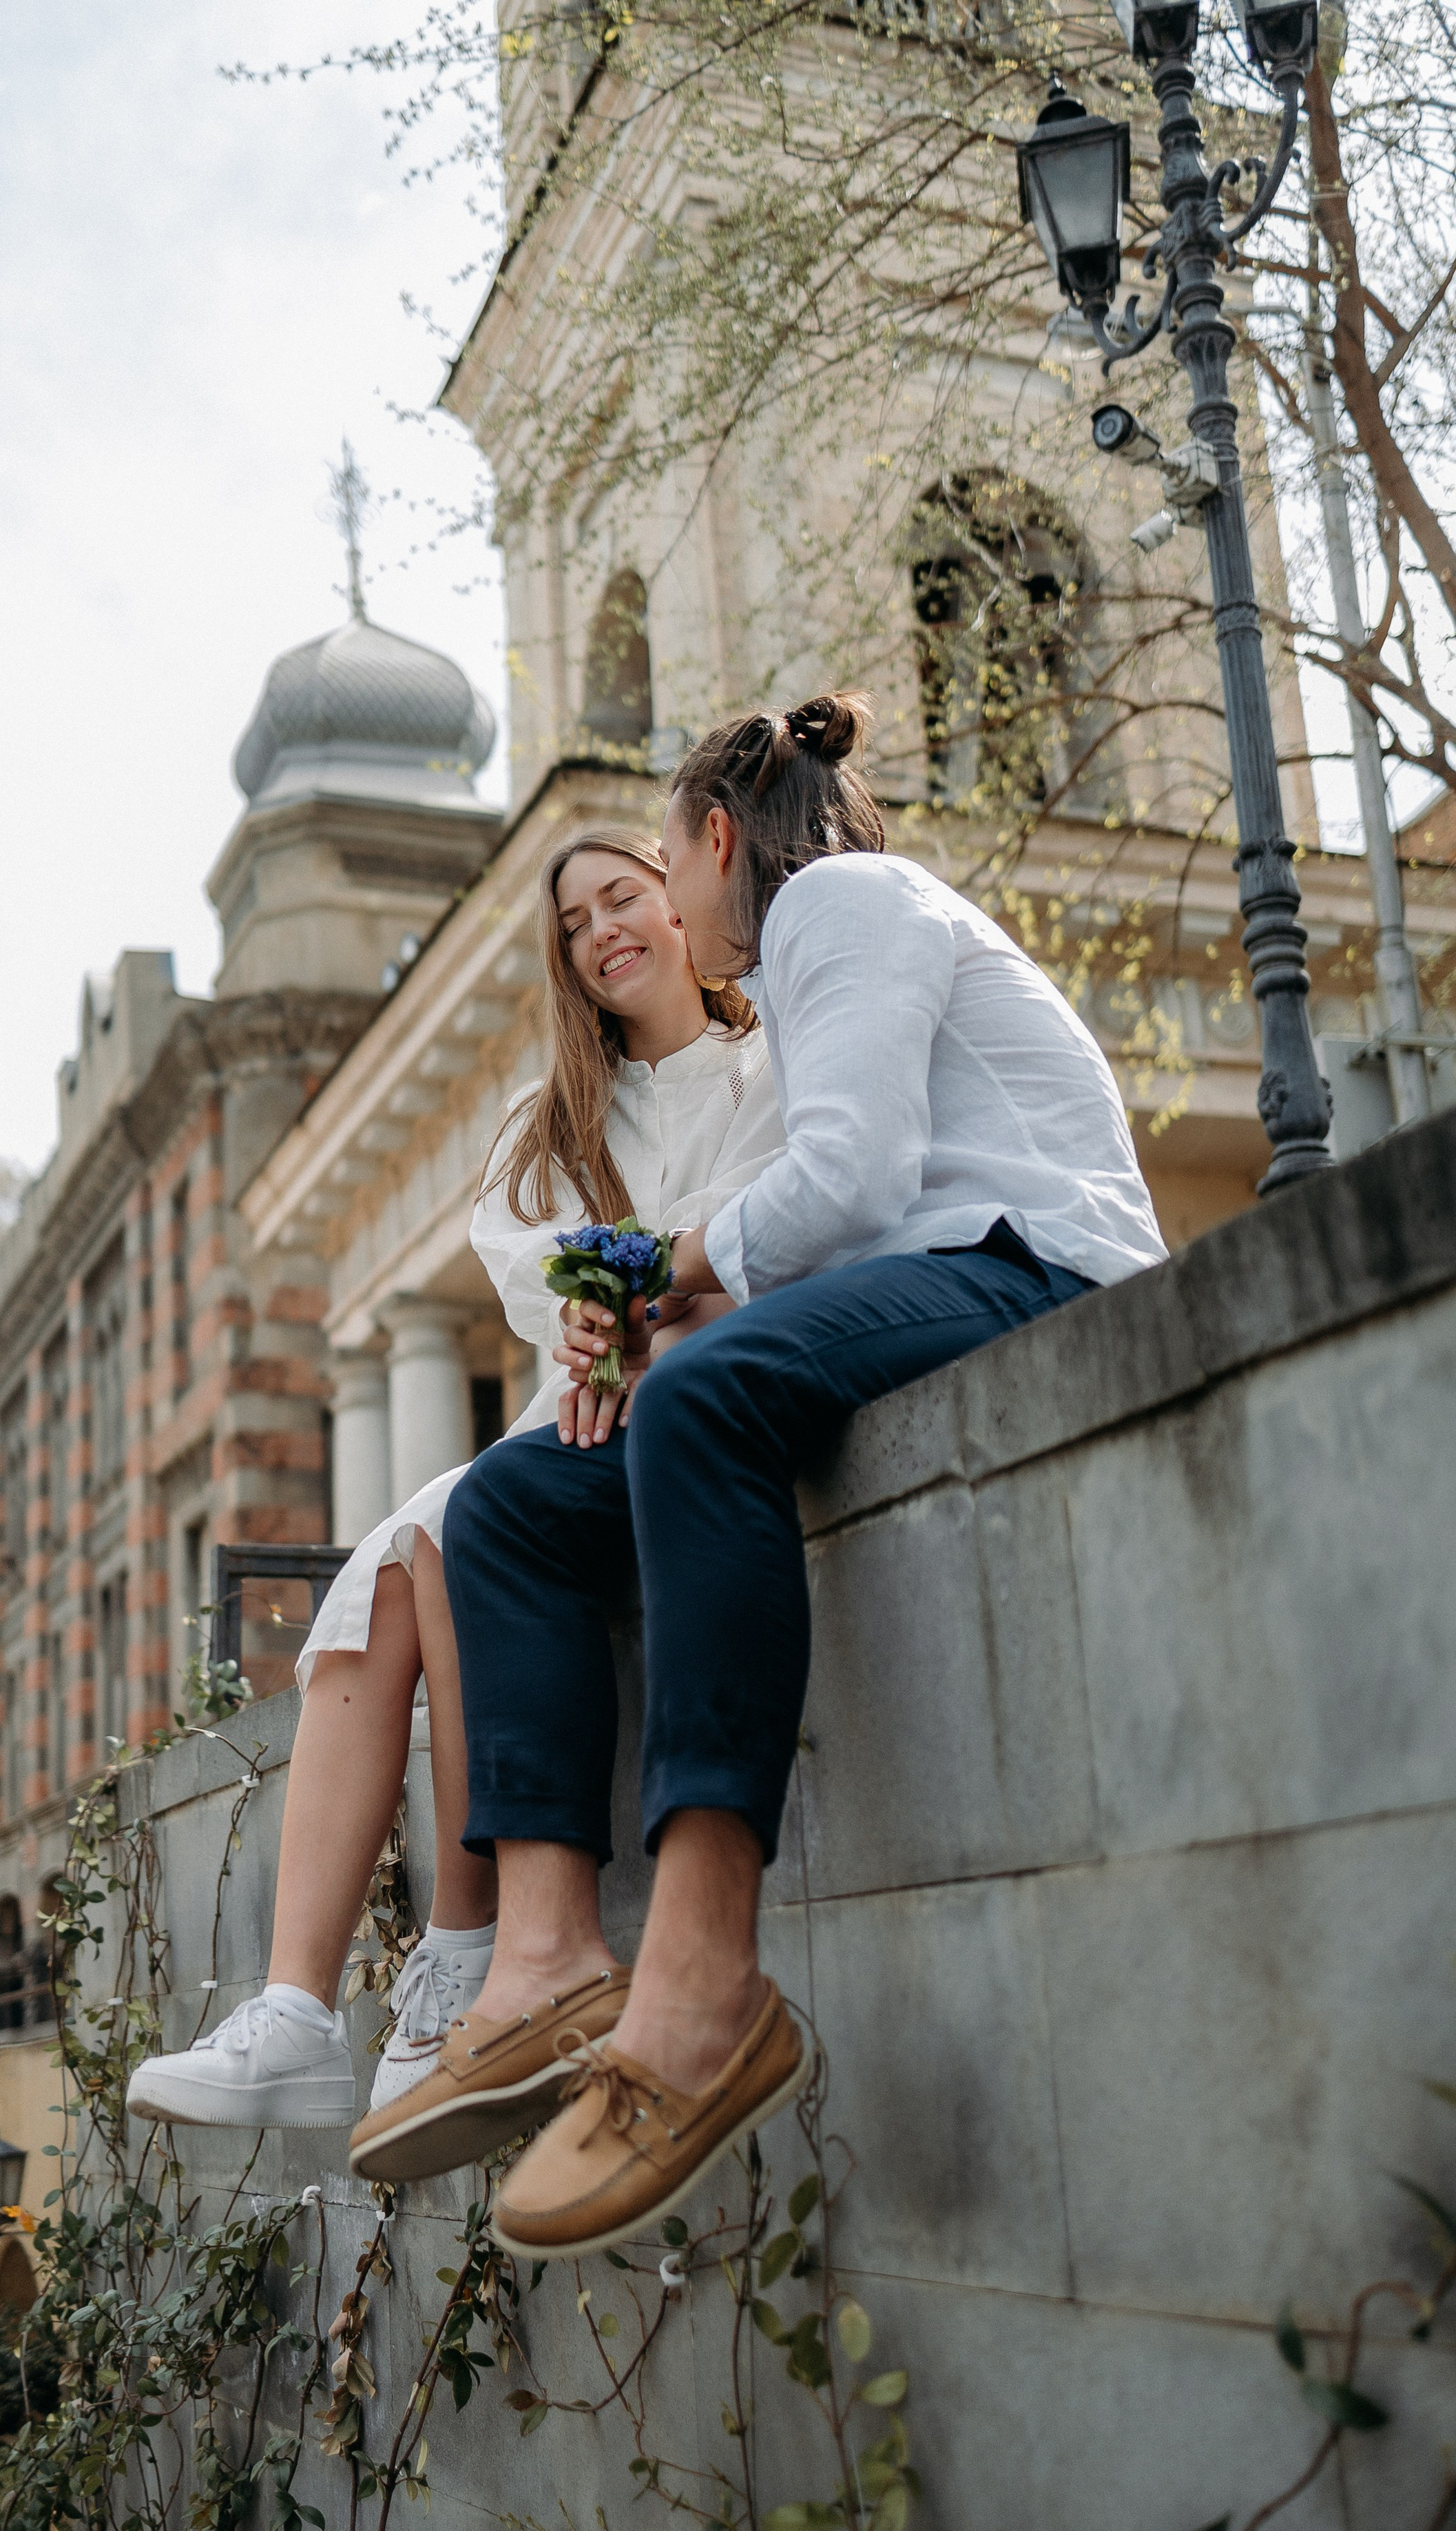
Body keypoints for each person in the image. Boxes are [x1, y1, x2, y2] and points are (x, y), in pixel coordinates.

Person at [349, 692, 1167, 2251]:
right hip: (914, 1287)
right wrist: (650, 1315)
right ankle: (543, 1958)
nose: (656, 906)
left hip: (1035, 1263)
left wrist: (661, 1274)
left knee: (701, 1396)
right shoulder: (804, 961)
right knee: (507, 1508)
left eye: (658, 866)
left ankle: (705, 1974)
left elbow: (847, 1184)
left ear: (717, 842)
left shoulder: (845, 904)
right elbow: (824, 1221)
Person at [124, 828, 783, 2133]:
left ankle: (466, 1953)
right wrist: (607, 1305)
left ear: (681, 898)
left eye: (624, 899)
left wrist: (648, 1294)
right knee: (390, 1560)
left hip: (709, 1391)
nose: (604, 930)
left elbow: (785, 1220)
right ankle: (300, 2012)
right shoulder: (548, 1127)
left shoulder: (773, 1060)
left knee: (464, 1527)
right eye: (575, 923)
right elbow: (543, 1279)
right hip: (585, 1406)